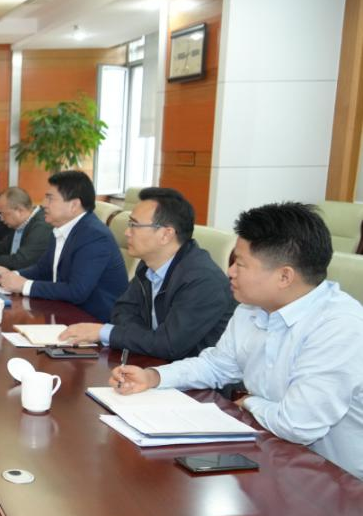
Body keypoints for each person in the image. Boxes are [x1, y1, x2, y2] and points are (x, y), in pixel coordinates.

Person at [113, 202, 363, 480]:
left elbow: (298, 424)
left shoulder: (339, 326)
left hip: (337, 480)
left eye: (240, 264)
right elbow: (216, 366)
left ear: (284, 276)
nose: (230, 271)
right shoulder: (251, 308)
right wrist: (153, 376)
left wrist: (251, 403)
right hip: (270, 453)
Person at [59, 187, 235, 359]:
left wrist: (105, 332)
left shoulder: (203, 281)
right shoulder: (148, 264)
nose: (127, 232)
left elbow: (170, 345)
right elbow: (121, 311)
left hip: (195, 375)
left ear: (166, 235)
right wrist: (148, 339)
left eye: (134, 225)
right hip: (153, 362)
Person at [0, 170, 127, 322]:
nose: (43, 204)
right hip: (65, 313)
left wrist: (25, 286)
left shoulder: (94, 236)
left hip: (93, 322)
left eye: (50, 198)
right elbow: (43, 269)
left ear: (74, 205)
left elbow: (77, 291)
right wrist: (11, 275)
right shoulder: (60, 228)